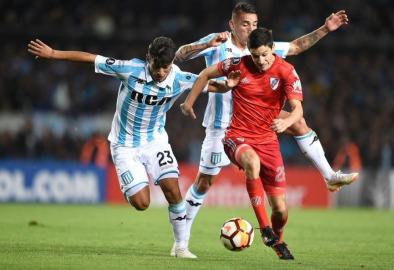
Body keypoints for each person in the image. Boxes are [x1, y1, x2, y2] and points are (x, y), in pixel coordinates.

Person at [173, 1, 358, 255]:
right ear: (232, 25)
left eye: (254, 24)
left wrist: (325, 28)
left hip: (258, 122)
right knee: (204, 183)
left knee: (298, 120)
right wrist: (206, 44)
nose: (250, 29)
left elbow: (296, 46)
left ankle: (328, 175)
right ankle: (181, 242)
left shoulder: (261, 49)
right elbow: (180, 54)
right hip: (222, 125)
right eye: (245, 24)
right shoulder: (219, 43)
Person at [27, 37, 225, 259]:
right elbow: (91, 58)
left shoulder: (178, 78)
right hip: (124, 146)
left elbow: (211, 84)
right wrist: (54, 53)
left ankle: (181, 246)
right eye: (157, 66)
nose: (160, 72)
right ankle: (130, 184)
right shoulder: (130, 69)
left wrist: (234, 83)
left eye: (165, 67)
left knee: (173, 189)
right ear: (148, 58)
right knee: (142, 203)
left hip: (155, 141)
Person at [181, 27, 307, 260]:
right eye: (255, 55)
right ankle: (264, 228)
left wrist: (287, 120)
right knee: (251, 163)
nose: (260, 60)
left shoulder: (286, 71)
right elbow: (205, 74)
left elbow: (298, 109)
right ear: (249, 51)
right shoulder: (238, 64)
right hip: (237, 135)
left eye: (265, 54)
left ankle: (277, 239)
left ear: (273, 49)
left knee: (280, 210)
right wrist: (189, 102)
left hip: (268, 142)